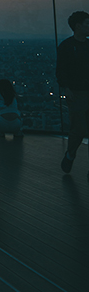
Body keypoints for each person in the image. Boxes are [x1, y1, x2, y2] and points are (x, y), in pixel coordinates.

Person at [57, 11, 89, 176]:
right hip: (76, 93)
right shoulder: (67, 47)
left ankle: (70, 155)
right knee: (79, 129)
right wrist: (67, 88)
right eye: (87, 23)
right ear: (78, 26)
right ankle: (70, 153)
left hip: (82, 91)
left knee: (80, 128)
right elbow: (61, 70)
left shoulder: (68, 45)